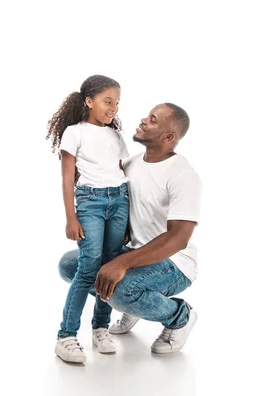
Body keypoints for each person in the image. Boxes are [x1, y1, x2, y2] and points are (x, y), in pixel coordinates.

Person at [58, 102, 202, 355]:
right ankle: (132, 305)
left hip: (174, 263)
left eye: (153, 120)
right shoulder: (131, 164)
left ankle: (180, 316)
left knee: (121, 290)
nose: (144, 120)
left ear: (169, 137)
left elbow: (178, 239)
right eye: (148, 116)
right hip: (134, 252)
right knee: (72, 265)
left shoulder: (183, 175)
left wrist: (122, 264)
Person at [46, 75, 130, 363]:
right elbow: (67, 177)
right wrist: (71, 217)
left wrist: (128, 218)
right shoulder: (74, 132)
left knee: (109, 267)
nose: (113, 108)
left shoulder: (115, 135)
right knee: (87, 268)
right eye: (108, 102)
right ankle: (66, 336)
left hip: (119, 200)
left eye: (117, 103)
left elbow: (122, 172)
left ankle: (100, 328)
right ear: (89, 101)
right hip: (90, 203)